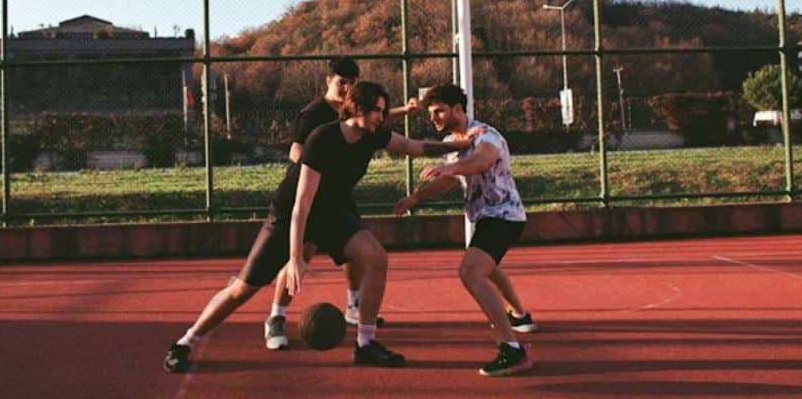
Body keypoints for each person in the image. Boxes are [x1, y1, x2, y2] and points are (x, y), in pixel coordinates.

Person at [164, 81, 476, 373]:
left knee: (376, 258)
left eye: (383, 110)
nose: (382, 116)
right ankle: (185, 342)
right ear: (356, 108)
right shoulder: (322, 139)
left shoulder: (374, 134)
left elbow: (416, 146)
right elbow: (302, 204)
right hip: (290, 214)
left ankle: (365, 344)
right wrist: (296, 256)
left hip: (331, 213)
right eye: (376, 110)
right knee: (242, 289)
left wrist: (460, 146)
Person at [263, 58, 420, 350]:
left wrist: (406, 111)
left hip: (339, 196)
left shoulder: (358, 113)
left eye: (351, 83)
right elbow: (298, 151)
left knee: (358, 252)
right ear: (328, 81)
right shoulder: (313, 114)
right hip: (311, 194)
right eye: (341, 82)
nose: (346, 87)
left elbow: (377, 122)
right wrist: (321, 164)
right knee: (303, 254)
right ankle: (276, 317)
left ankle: (353, 304)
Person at [393, 83, 537, 377]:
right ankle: (521, 316)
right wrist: (416, 198)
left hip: (504, 215)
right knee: (489, 270)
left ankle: (512, 348)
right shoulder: (453, 141)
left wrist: (452, 168)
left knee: (471, 272)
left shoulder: (486, 135)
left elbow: (481, 161)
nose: (434, 118)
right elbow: (447, 180)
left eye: (439, 112)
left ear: (457, 109)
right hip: (486, 217)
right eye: (431, 113)